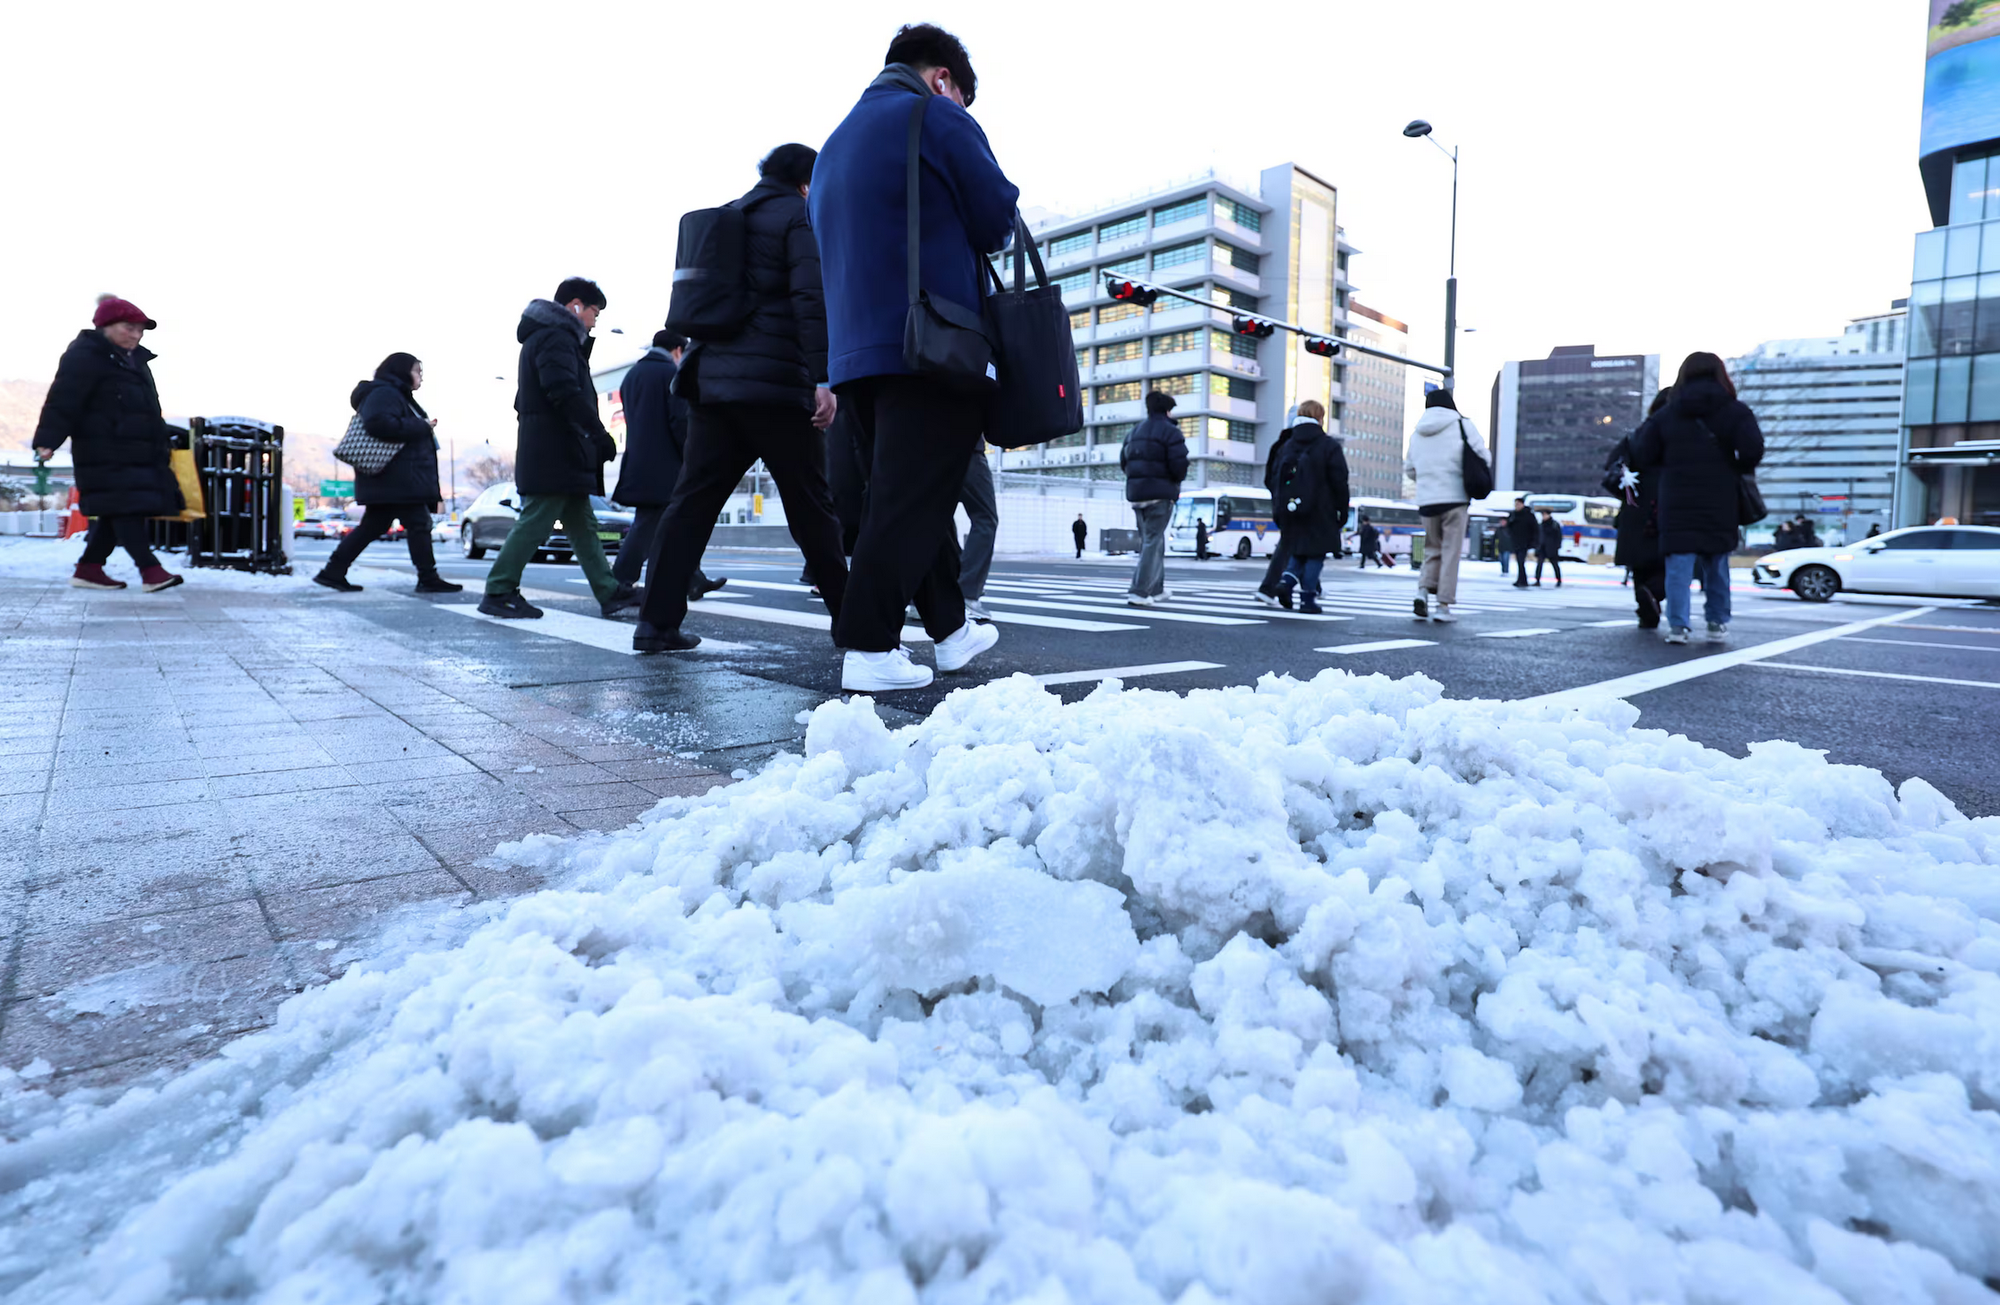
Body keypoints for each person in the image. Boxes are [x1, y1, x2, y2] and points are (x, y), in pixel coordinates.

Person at [811, 23, 1018, 690]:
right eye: (963, 96)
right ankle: (869, 647)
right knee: (906, 502)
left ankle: (952, 633)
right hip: (931, 345)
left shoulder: (833, 146)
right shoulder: (935, 115)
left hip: (857, 355)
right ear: (942, 79)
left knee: (909, 494)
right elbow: (996, 219)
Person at [633, 145, 852, 654]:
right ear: (807, 182)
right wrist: (824, 377)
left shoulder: (730, 214)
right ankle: (851, 623)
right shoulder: (798, 216)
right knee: (812, 506)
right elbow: (809, 299)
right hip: (773, 387)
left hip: (713, 384)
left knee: (689, 506)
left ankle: (655, 624)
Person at [480, 278, 635, 621]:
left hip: (558, 449)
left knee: (583, 526)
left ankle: (609, 592)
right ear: (576, 306)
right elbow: (564, 391)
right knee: (536, 521)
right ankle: (499, 590)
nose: (596, 320)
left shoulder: (551, 338)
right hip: (555, 450)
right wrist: (597, 435)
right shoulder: (555, 337)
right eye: (595, 312)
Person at [31, 296, 184, 592]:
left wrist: (163, 437)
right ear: (107, 326)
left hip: (137, 451)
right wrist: (48, 441)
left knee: (118, 509)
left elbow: (148, 408)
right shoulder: (85, 356)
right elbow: (64, 400)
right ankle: (150, 570)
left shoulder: (135, 360)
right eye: (130, 328)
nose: (136, 335)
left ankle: (89, 568)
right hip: (103, 450)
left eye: (140, 330)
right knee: (125, 508)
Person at [1630, 351, 1765, 644]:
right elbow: (1753, 450)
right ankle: (1717, 622)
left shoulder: (1667, 413)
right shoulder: (1735, 411)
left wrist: (1670, 466)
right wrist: (1733, 466)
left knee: (1678, 566)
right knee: (1717, 564)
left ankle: (1678, 627)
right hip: (1721, 499)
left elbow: (1643, 454)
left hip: (1677, 499)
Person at [313, 353, 459, 594]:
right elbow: (378, 423)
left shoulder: (394, 394)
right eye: (416, 371)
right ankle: (428, 577)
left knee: (375, 525)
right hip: (397, 478)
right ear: (401, 371)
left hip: (394, 478)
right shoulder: (385, 393)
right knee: (418, 523)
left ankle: (333, 571)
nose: (420, 377)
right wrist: (421, 425)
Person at [611, 330, 724, 606]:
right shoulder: (670, 374)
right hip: (667, 463)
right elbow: (679, 421)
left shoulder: (632, 376)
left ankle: (692, 578)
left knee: (671, 523)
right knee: (651, 525)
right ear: (677, 350)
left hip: (639, 461)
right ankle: (619, 581)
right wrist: (693, 454)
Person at [1402, 388, 1489, 622]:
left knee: (1432, 548)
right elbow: (1483, 456)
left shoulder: (1417, 432)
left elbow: (1410, 469)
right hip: (1455, 498)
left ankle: (1422, 591)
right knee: (1450, 552)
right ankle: (1443, 606)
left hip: (1427, 500)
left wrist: (1428, 477)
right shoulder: (1462, 424)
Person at [1267, 399, 1349, 614]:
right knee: (1315, 555)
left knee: (1298, 551)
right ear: (1320, 418)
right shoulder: (1328, 446)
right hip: (1321, 510)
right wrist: (1342, 510)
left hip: (1291, 509)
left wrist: (1279, 508)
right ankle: (1307, 600)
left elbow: (1275, 479)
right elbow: (1340, 481)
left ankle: (1285, 583)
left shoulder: (1286, 446)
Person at [1605, 389, 1668, 628]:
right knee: (1668, 561)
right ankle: (1654, 593)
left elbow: (1612, 465)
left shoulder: (1636, 435)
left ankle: (1646, 611)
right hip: (1665, 504)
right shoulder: (1676, 434)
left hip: (1634, 506)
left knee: (1639, 564)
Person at [1122, 391, 1189, 606]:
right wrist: (1174, 482)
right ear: (1168, 411)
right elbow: (1179, 464)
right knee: (1152, 542)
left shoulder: (1134, 432)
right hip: (1160, 494)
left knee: (1153, 541)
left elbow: (1124, 461)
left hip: (1137, 494)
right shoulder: (1171, 432)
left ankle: (1157, 588)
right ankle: (1140, 591)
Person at [1254, 405, 1303, 606]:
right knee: (1290, 545)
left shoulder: (1278, 445)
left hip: (1280, 503)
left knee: (1296, 544)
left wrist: (1277, 494)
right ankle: (1268, 588)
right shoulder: (1299, 445)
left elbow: (1268, 478)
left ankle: (1312, 586)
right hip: (1298, 503)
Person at [959, 445, 997, 621]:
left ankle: (920, 601)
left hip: (928, 448)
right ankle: (967, 593)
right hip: (966, 445)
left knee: (935, 522)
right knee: (985, 519)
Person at [1504, 496, 1536, 589]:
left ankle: (1522, 580)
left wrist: (1533, 541)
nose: (1516, 506)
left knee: (1521, 561)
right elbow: (1508, 526)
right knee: (1519, 561)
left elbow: (1534, 529)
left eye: (1518, 504)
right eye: (1515, 504)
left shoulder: (1528, 515)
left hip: (1525, 541)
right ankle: (1521, 579)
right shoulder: (1513, 514)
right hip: (1516, 541)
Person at [1533, 509, 1563, 587]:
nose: (1544, 516)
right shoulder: (1541, 524)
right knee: (1539, 564)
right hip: (1542, 547)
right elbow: (1538, 536)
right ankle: (1537, 580)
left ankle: (1559, 580)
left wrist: (1557, 546)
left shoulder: (1554, 524)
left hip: (1551, 547)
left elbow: (1558, 536)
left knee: (1555, 564)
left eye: (1545, 515)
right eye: (1543, 515)